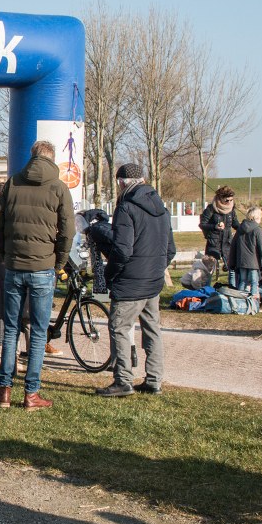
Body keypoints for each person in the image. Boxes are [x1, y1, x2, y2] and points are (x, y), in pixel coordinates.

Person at [0, 140, 74, 411]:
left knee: (11, 329)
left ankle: (4, 391)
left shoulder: (13, 183)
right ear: (52, 158)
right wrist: (59, 262)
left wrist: (5, 253)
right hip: (43, 267)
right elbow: (68, 231)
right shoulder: (59, 187)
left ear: (32, 156)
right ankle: (31, 393)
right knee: (38, 332)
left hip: (14, 265)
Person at [96, 163, 175, 397]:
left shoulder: (126, 208)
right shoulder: (161, 207)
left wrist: (110, 274)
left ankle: (123, 380)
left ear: (121, 183)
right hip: (153, 280)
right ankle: (154, 380)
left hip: (130, 281)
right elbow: (170, 249)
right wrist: (156, 268)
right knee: (152, 329)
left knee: (119, 327)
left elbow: (122, 250)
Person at [199, 185, 238, 284]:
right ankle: (206, 289)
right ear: (220, 198)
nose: (229, 202)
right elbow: (202, 224)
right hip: (213, 242)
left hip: (227, 242)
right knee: (209, 270)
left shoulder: (232, 209)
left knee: (232, 269)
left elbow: (235, 223)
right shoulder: (211, 208)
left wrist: (244, 227)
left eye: (231, 200)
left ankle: (232, 288)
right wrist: (215, 226)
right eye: (227, 200)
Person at [229, 205, 262, 300]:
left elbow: (233, 247)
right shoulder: (258, 230)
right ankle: (253, 301)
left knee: (242, 281)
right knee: (254, 282)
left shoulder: (240, 229)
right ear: (257, 218)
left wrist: (232, 262)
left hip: (241, 261)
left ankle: (240, 300)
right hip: (253, 263)